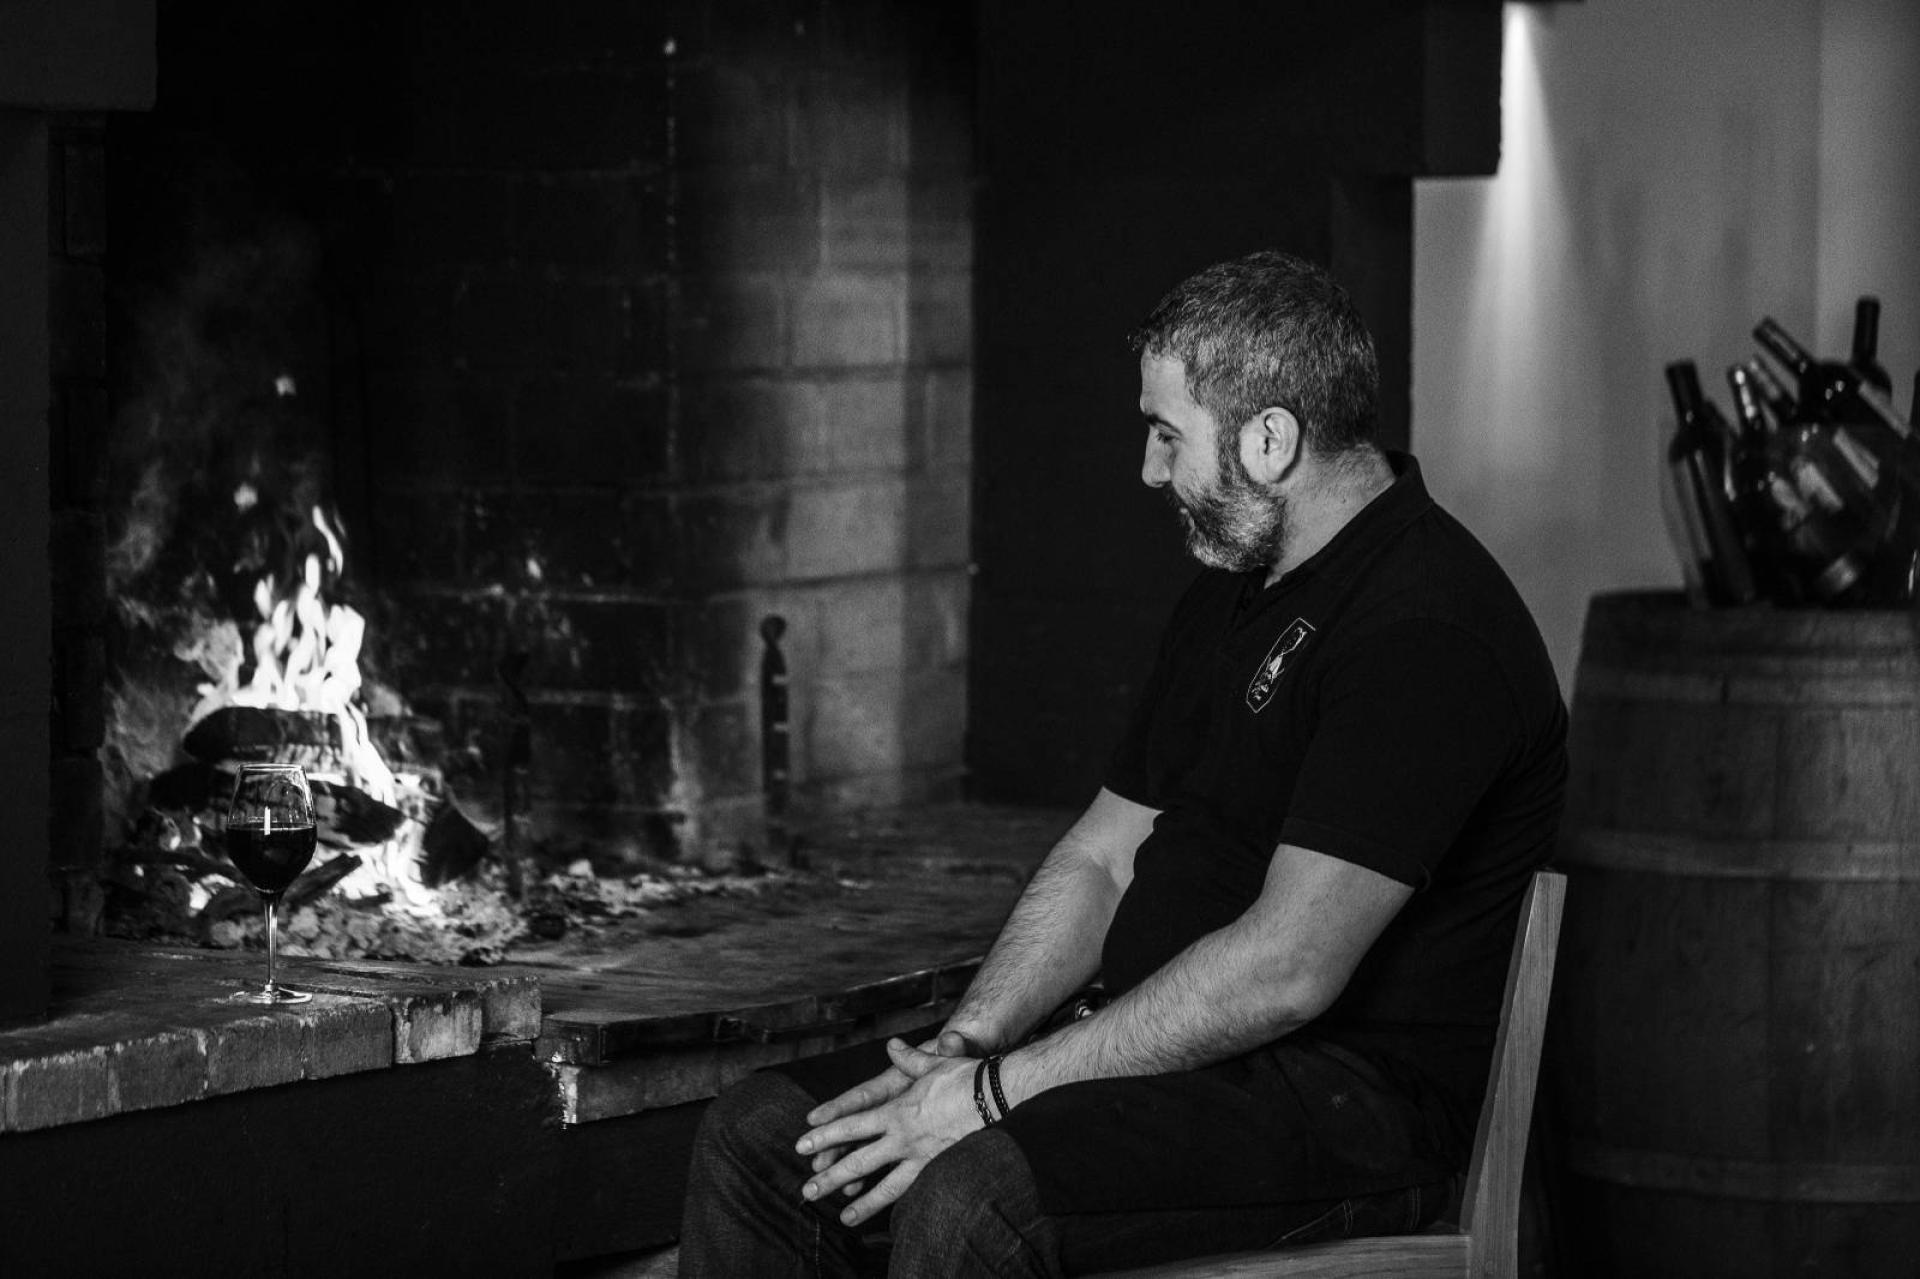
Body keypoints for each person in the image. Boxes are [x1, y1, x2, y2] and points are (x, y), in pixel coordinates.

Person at [679, 249, 1568, 1277]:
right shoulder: (1236, 588)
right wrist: (966, 1047)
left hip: (1345, 1105)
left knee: (974, 1198)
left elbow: (1287, 969)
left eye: (1167, 434)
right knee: (763, 1137)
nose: (1148, 470)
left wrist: (990, 1100)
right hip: (1169, 1058)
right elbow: (1104, 855)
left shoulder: (1429, 629)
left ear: (1271, 439)